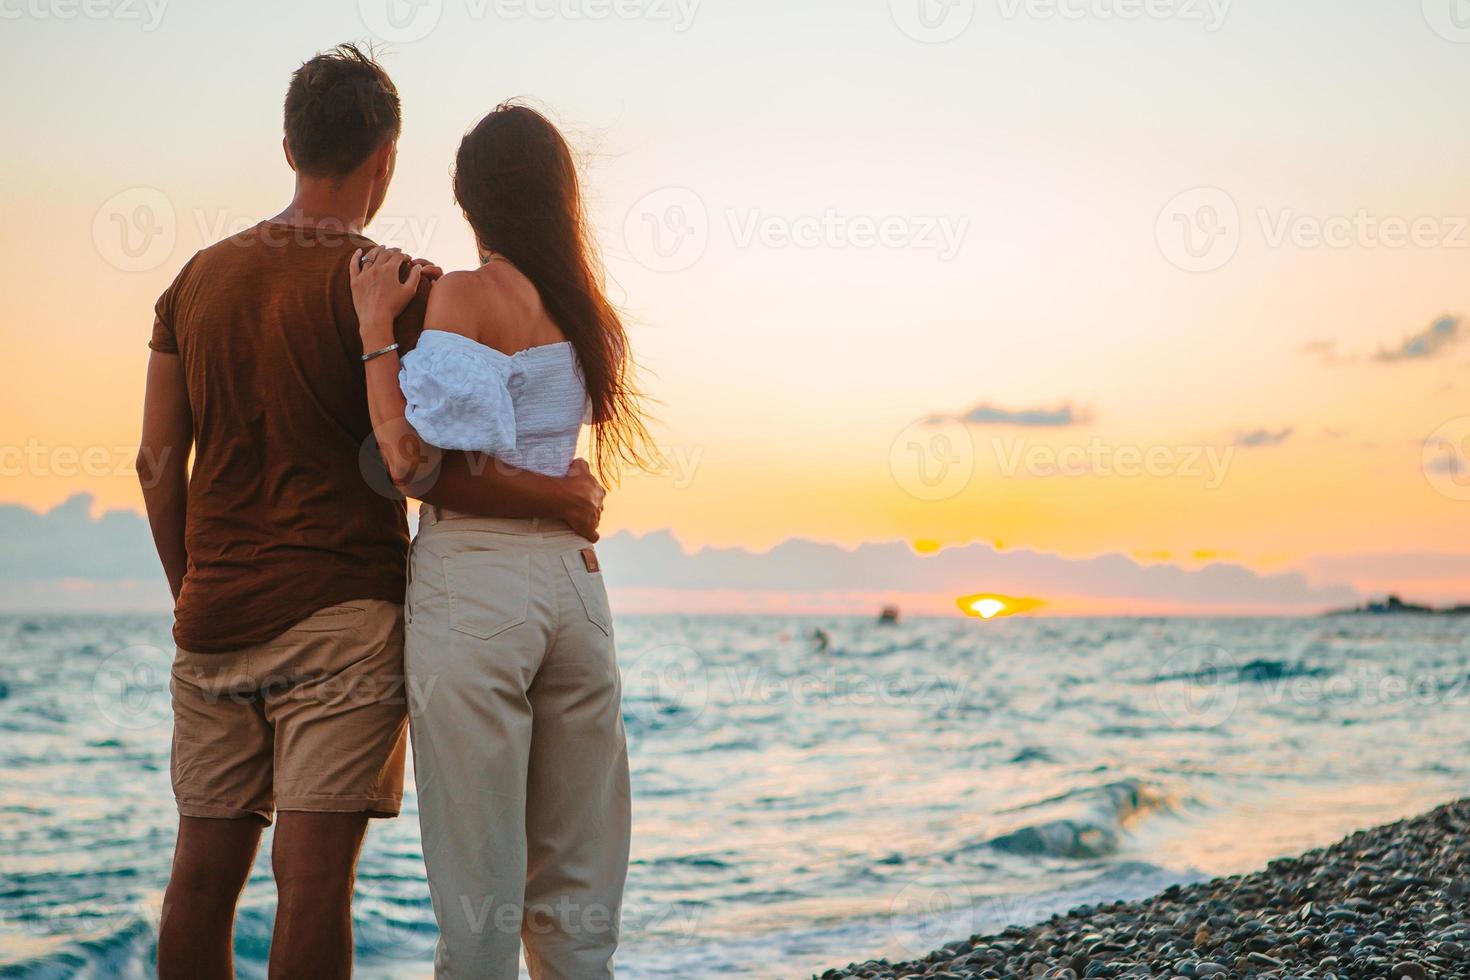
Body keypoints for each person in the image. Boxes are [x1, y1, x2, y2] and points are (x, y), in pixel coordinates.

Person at [135, 47, 607, 980]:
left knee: (198, 882)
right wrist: (565, 494)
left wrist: (193, 588)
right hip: (344, 617)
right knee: (313, 886)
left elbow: (156, 463)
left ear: (287, 146)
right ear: (385, 156)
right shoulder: (396, 285)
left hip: (214, 618)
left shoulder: (193, 280)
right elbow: (439, 464)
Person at [348, 102, 651, 979]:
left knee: (479, 897)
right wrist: (561, 495)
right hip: (577, 595)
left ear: (467, 198)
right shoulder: (584, 312)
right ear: (561, 197)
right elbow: (548, 456)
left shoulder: (469, 294)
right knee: (579, 898)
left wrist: (376, 329)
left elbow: (412, 461)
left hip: (477, 584)